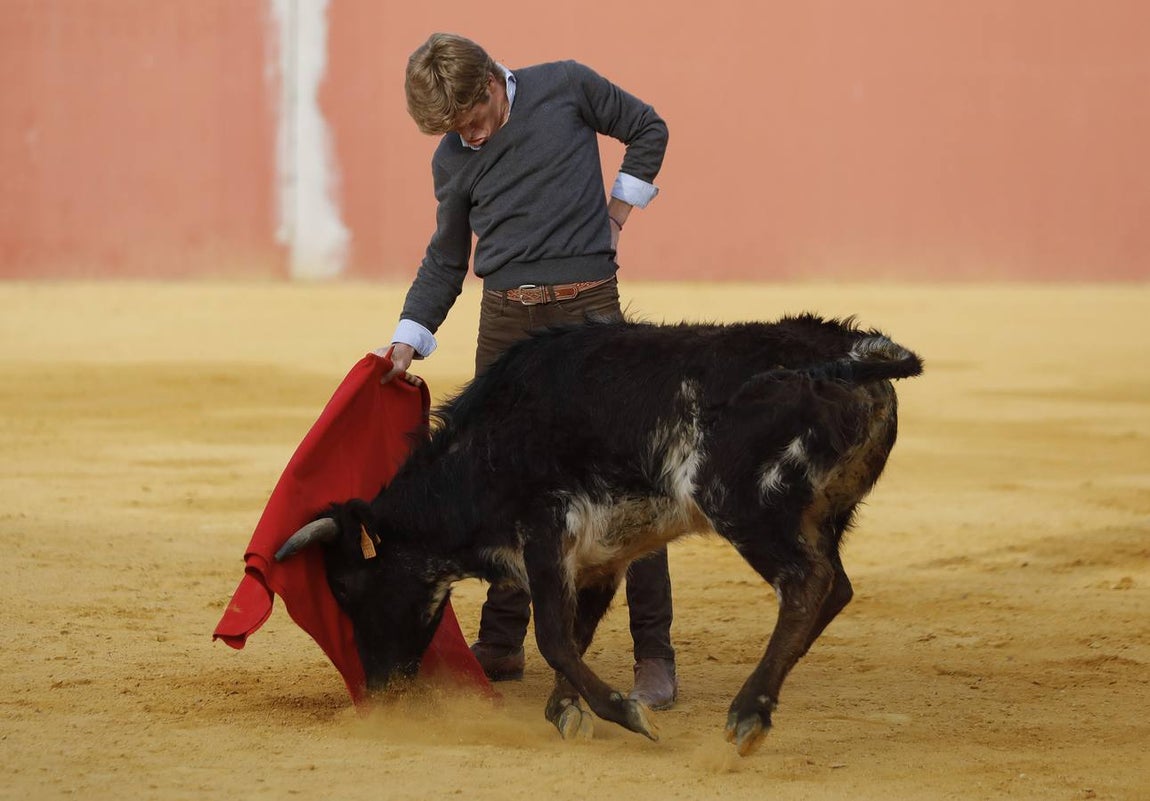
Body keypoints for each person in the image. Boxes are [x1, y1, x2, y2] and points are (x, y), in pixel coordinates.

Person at [377, 32, 677, 709]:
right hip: (507, 323)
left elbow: (646, 126)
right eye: (455, 130)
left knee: (632, 481)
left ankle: (655, 653)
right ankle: (505, 639)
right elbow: (447, 258)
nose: (468, 136)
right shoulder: (453, 157)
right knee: (505, 486)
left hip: (590, 317)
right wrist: (407, 337)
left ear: (490, 81)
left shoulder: (565, 85)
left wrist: (620, 208)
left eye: (472, 119)